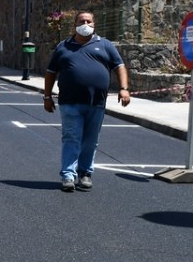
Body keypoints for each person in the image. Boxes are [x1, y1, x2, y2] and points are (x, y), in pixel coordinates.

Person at [42, 11, 130, 192]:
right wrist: (47, 96)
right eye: (82, 21)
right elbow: (51, 72)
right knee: (71, 138)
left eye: (89, 21)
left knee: (90, 141)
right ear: (74, 24)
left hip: (96, 103)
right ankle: (68, 175)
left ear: (94, 23)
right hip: (69, 102)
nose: (85, 24)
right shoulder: (63, 47)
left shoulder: (105, 45)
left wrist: (124, 88)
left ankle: (85, 173)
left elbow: (119, 66)